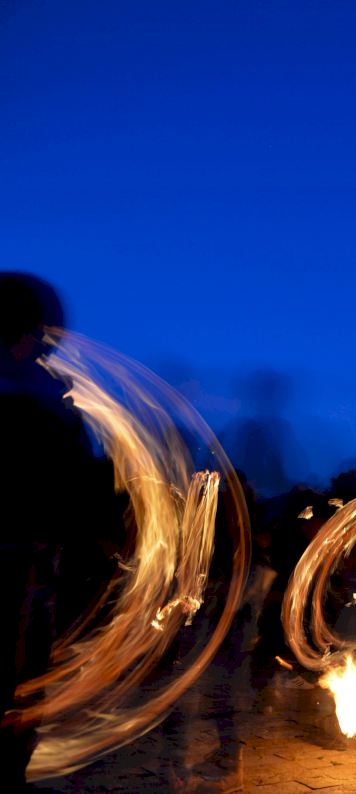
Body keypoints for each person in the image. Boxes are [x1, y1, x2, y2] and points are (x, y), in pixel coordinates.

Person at [0, 274, 125, 786]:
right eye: (47, 334)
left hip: (32, 562)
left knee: (21, 688)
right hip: (23, 564)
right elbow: (74, 484)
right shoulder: (44, 403)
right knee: (18, 688)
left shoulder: (47, 397)